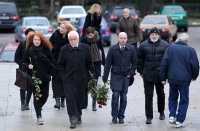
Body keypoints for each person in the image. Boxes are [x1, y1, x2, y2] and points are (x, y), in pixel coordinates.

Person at [160, 33, 199, 128]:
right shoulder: (190, 50)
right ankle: (180, 120)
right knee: (184, 99)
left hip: (172, 78)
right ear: (187, 41)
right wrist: (194, 76)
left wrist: (163, 78)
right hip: (185, 79)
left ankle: (172, 116)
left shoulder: (170, 48)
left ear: (178, 39)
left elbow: (164, 63)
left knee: (173, 96)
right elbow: (195, 65)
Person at [57, 31, 94, 129]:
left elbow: (90, 64)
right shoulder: (64, 49)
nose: (73, 41)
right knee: (70, 99)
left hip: (81, 79)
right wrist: (63, 76)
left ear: (78, 39)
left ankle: (78, 114)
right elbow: (60, 64)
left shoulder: (85, 48)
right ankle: (72, 119)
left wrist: (91, 76)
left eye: (75, 39)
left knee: (79, 98)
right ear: (68, 40)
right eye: (71, 39)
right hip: (68, 80)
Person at [102, 32, 137, 124]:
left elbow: (135, 62)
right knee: (115, 96)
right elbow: (108, 64)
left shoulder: (131, 49)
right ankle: (114, 115)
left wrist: (131, 73)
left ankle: (121, 116)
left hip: (126, 75)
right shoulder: (113, 49)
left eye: (125, 38)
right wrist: (105, 77)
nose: (123, 40)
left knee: (124, 97)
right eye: (121, 38)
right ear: (118, 38)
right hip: (116, 75)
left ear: (127, 39)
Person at [137, 27, 169, 124]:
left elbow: (168, 60)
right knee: (148, 96)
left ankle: (161, 112)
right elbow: (139, 60)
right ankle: (149, 116)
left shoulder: (165, 45)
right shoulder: (143, 45)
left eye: (155, 34)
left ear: (158, 35)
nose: (154, 36)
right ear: (149, 35)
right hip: (148, 74)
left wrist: (166, 74)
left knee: (161, 94)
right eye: (152, 34)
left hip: (160, 74)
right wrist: (141, 71)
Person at [23, 32, 56, 125]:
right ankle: (39, 116)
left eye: (38, 40)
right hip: (35, 77)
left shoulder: (46, 49)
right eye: (35, 40)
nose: (36, 42)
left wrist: (51, 72)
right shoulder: (29, 49)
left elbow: (52, 62)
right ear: (32, 40)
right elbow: (23, 62)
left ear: (42, 40)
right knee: (37, 96)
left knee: (44, 96)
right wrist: (28, 65)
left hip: (45, 76)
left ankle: (37, 107)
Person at [49, 21, 76, 109]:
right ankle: (57, 99)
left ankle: (63, 98)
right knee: (55, 80)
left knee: (65, 80)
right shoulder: (55, 35)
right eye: (61, 27)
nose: (61, 29)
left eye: (64, 28)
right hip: (55, 61)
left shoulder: (70, 37)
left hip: (66, 62)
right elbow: (49, 46)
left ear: (67, 29)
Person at [81, 26, 105, 111]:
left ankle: (94, 104)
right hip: (86, 65)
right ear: (86, 34)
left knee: (94, 85)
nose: (90, 37)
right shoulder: (83, 40)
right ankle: (85, 102)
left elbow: (102, 50)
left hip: (96, 64)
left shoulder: (98, 39)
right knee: (85, 86)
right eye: (89, 35)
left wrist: (104, 63)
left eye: (91, 35)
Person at [14, 28, 35, 111]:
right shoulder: (22, 44)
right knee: (23, 86)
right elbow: (16, 57)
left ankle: (27, 102)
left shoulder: (35, 44)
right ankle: (22, 102)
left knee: (30, 87)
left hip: (33, 69)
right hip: (23, 68)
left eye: (32, 35)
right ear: (26, 35)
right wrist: (23, 64)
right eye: (29, 35)